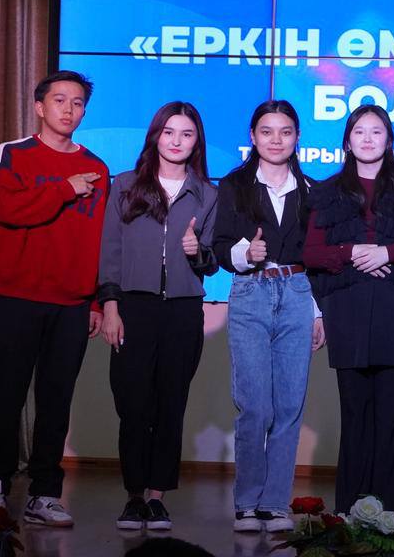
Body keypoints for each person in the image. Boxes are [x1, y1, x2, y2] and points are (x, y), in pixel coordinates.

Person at [0, 70, 108, 527]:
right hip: (15, 296)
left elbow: (97, 239)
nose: (69, 110)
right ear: (39, 106)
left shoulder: (98, 168)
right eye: (59, 100)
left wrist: (95, 301)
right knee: (6, 397)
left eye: (77, 103)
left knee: (56, 401)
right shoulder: (12, 153)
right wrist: (64, 189)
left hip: (71, 303)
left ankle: (45, 493)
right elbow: (8, 209)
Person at [302, 104, 394, 513]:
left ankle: (392, 514)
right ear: (347, 141)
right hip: (348, 315)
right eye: (359, 131)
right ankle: (350, 511)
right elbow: (312, 254)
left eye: (376, 131)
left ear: (389, 140)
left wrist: (387, 252)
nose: (367, 138)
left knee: (393, 418)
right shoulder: (325, 192)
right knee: (354, 417)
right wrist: (353, 251)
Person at [98, 101, 219, 532]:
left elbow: (212, 262)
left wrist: (198, 252)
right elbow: (110, 249)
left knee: (171, 405)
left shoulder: (208, 193)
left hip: (183, 311)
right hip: (133, 306)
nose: (176, 141)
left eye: (186, 134)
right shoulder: (125, 185)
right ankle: (133, 495)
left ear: (196, 141)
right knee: (133, 405)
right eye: (169, 132)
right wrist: (110, 306)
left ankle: (156, 497)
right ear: (155, 136)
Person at [210, 100, 325, 534]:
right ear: (253, 136)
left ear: (297, 137)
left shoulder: (313, 191)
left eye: (285, 131)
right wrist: (246, 253)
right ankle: (247, 503)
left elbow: (318, 258)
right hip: (251, 292)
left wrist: (318, 311)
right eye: (267, 131)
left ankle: (275, 504)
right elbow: (220, 246)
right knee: (254, 405)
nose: (276, 140)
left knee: (289, 406)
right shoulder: (234, 185)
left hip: (298, 293)